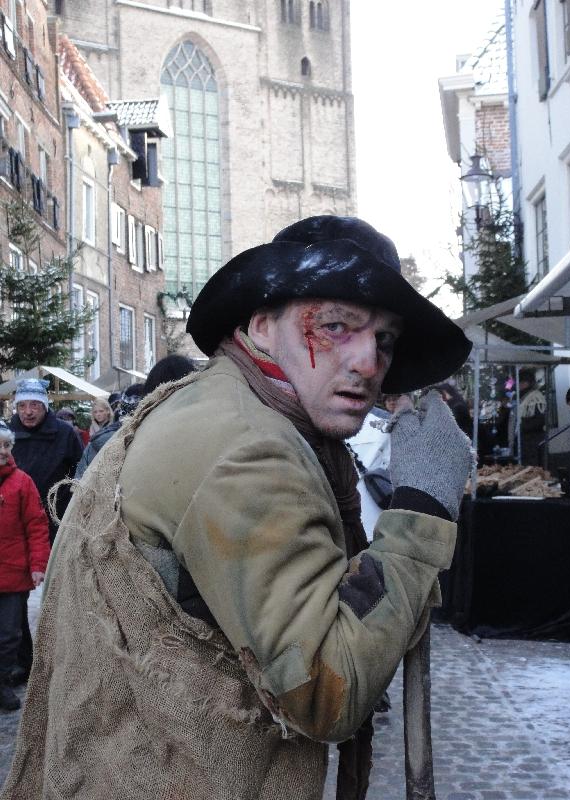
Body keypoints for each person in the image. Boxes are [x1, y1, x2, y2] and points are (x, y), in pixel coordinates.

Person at [2, 216, 472, 800]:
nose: (369, 362)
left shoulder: (219, 403)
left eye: (384, 339)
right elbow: (330, 692)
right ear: (261, 324)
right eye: (334, 326)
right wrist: (423, 509)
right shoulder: (250, 448)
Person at [0, 421, 50, 712]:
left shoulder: (22, 482)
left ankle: (2, 681)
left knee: (8, 635)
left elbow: (36, 525)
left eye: (7, 446)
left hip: (13, 574)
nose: (4, 452)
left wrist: (38, 563)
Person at [9, 379, 83, 544]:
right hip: (16, 520)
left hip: (57, 518)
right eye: (22, 405)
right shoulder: (7, 436)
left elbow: (81, 470)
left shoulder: (65, 433)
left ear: (45, 406)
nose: (27, 412)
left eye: (34, 405)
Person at [75, 384, 147, 479]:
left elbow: (79, 480)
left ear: (108, 411)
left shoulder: (101, 436)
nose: (98, 415)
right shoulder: (95, 436)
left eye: (101, 411)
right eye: (95, 412)